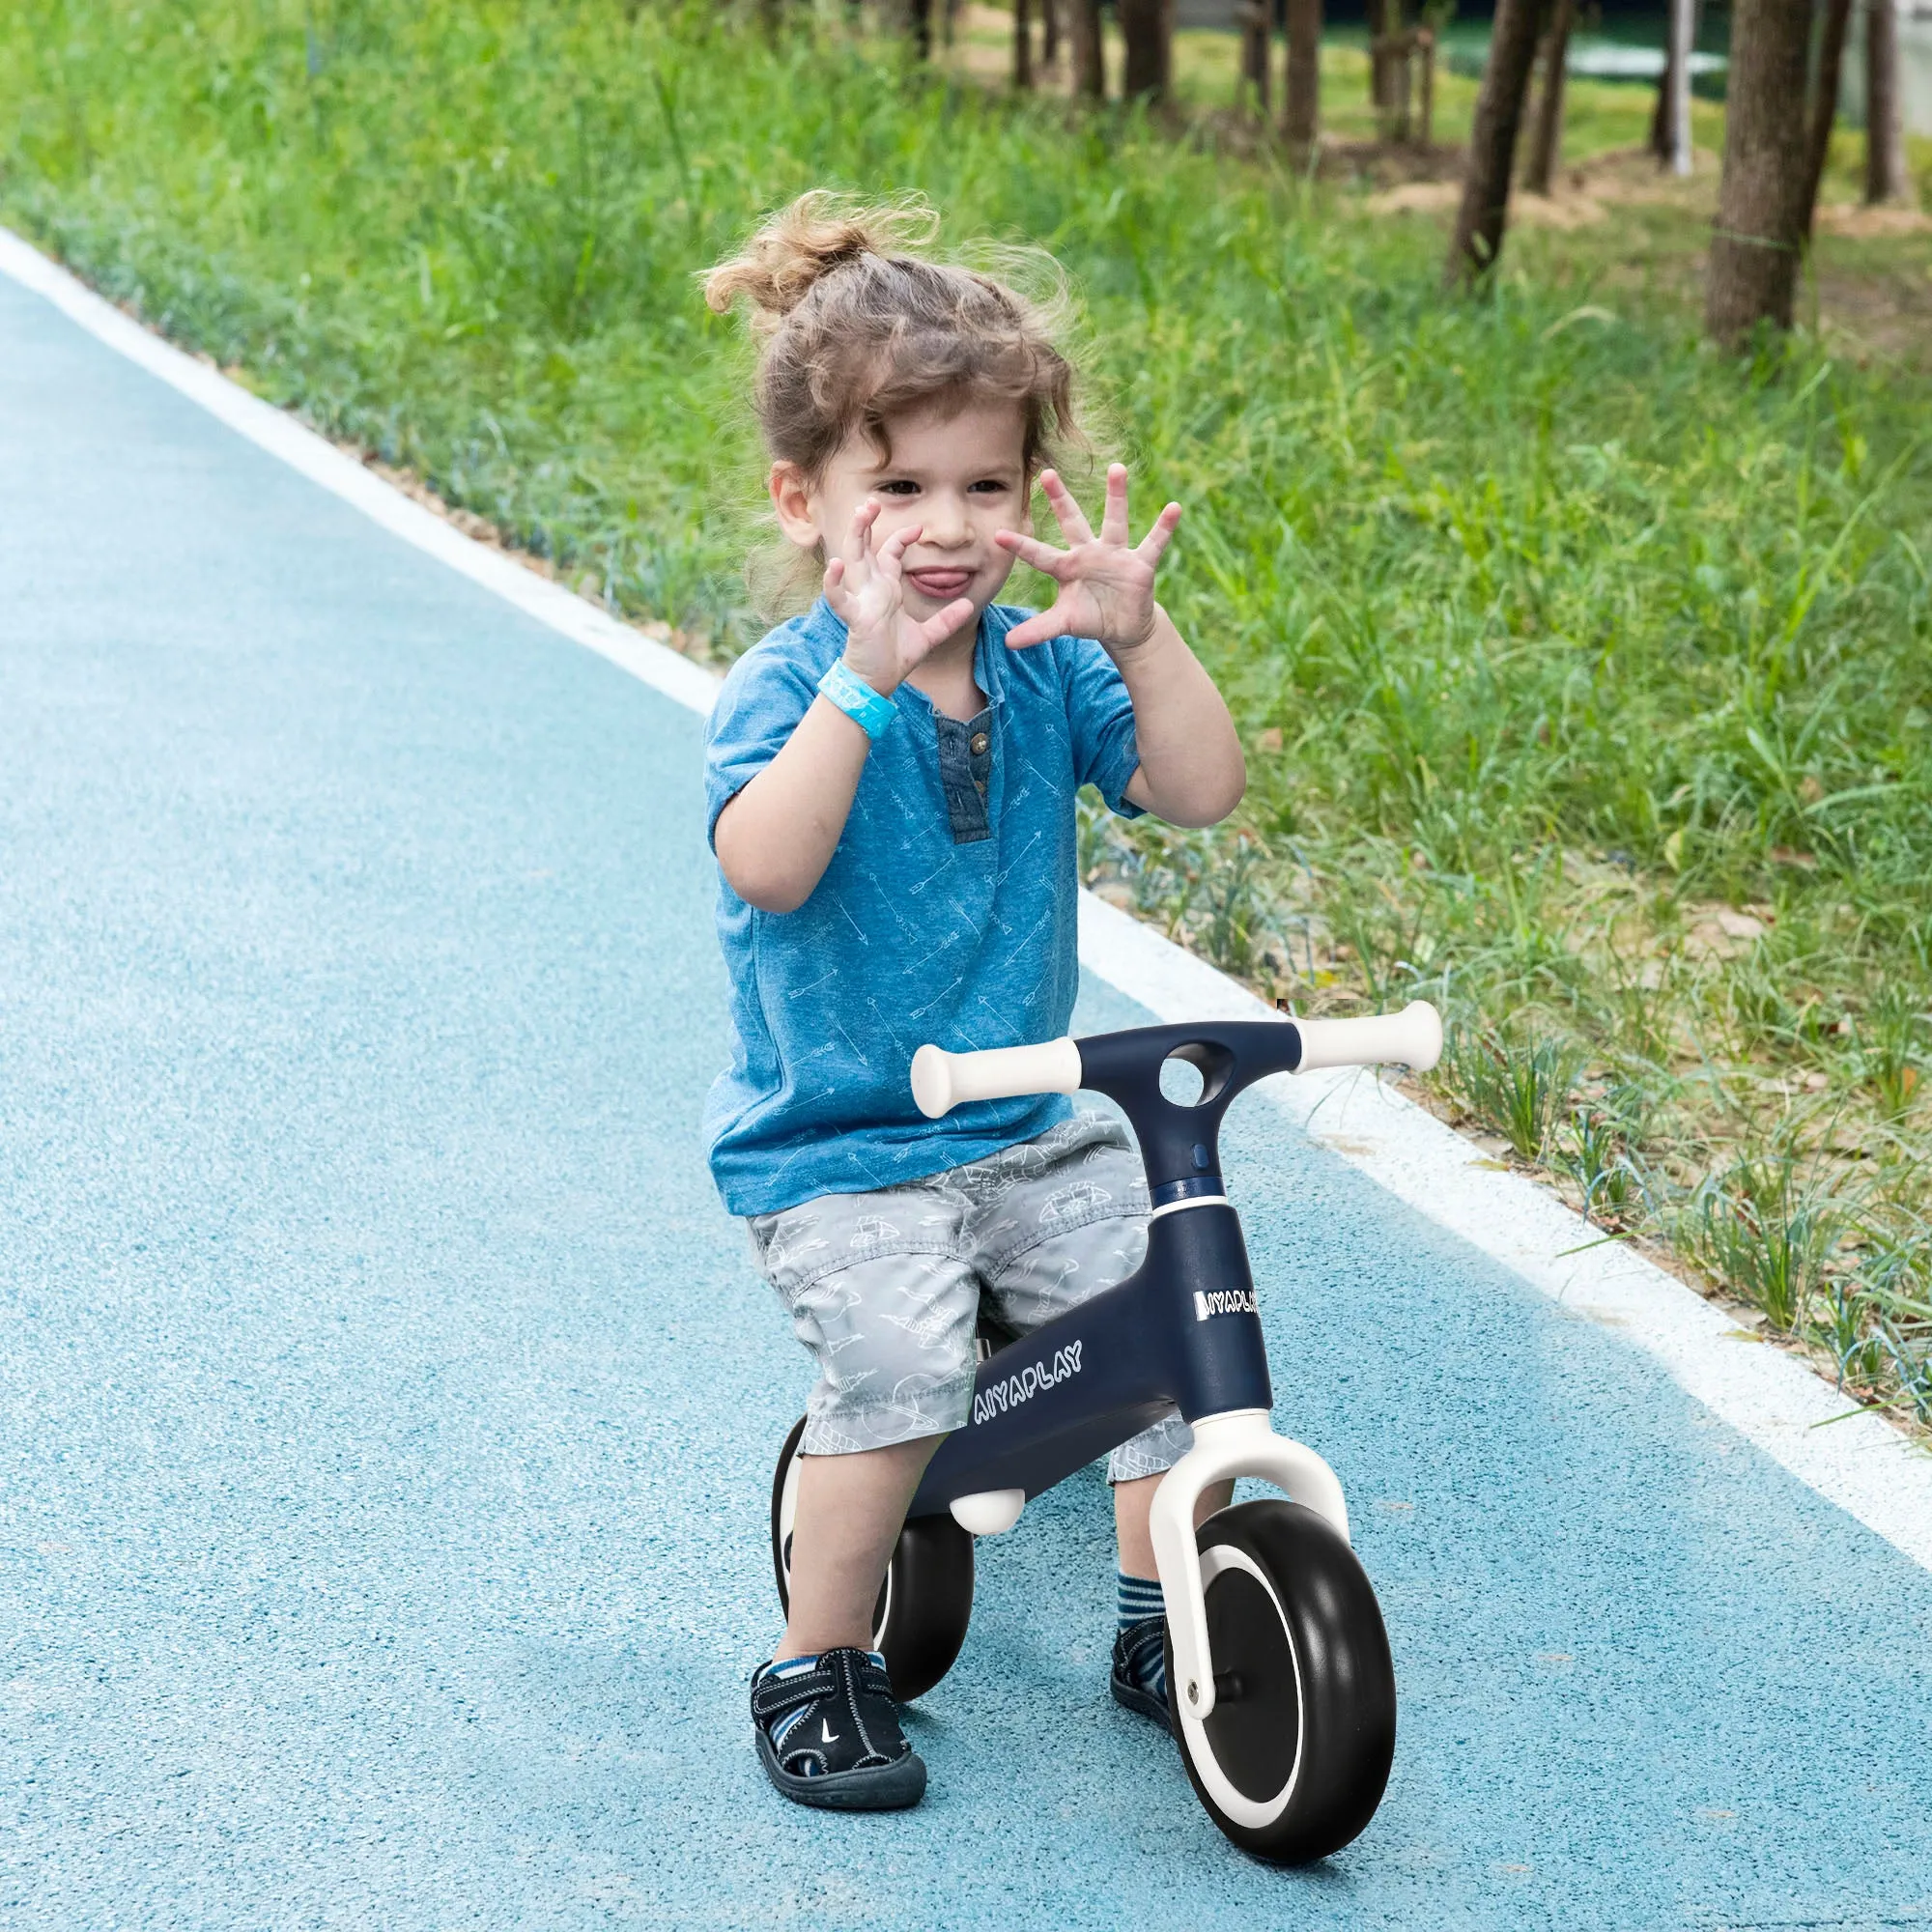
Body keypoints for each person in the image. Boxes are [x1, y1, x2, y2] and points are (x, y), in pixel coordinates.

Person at [701, 192, 1246, 1811]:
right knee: (898, 1370)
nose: (945, 524)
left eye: (986, 484)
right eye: (901, 487)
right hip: (847, 1144)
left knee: (1178, 1321)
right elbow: (768, 868)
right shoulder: (792, 690)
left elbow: (1200, 789)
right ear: (809, 503)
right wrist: (865, 687)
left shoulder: (1045, 666)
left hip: (1025, 1116)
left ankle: (1172, 1623)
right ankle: (818, 1659)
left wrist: (1142, 643)